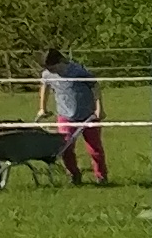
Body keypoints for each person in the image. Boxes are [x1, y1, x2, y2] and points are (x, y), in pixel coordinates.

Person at [39, 46, 106, 185]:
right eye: (49, 69)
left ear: (60, 62)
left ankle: (101, 176)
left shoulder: (77, 71)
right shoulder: (47, 74)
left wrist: (99, 108)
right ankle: (74, 175)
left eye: (53, 68)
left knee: (94, 149)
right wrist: (42, 108)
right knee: (65, 147)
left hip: (88, 115)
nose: (51, 71)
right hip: (65, 115)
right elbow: (44, 87)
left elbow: (95, 86)